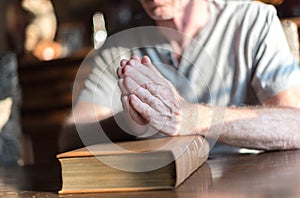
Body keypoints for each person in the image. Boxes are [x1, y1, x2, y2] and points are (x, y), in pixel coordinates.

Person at [59, 0, 300, 153]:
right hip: (163, 184)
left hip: (249, 180)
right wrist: (132, 121)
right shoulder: (120, 45)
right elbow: (70, 136)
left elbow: (294, 126)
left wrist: (188, 117)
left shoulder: (252, 20)